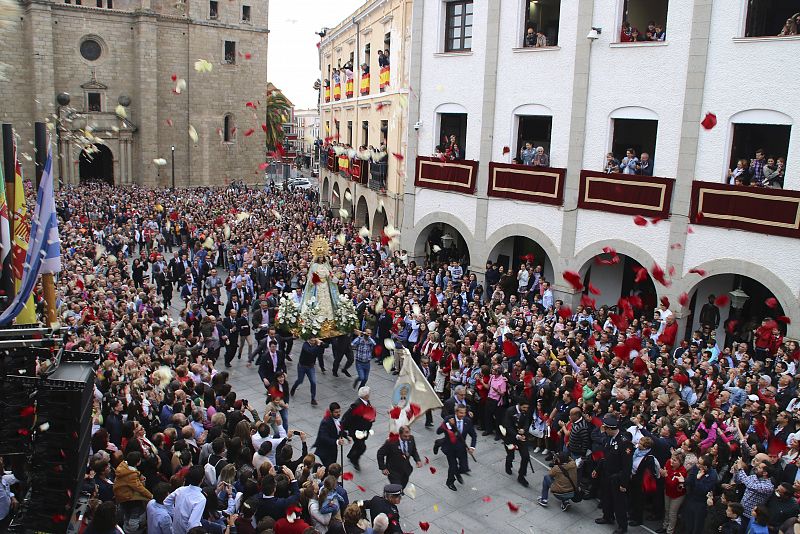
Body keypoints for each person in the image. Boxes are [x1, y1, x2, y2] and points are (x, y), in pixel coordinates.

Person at [593, 414, 633, 534]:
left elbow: (627, 466)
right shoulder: (609, 438)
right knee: (606, 497)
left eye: (605, 428)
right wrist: (598, 469)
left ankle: (622, 526)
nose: (603, 430)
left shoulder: (624, 443)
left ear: (610, 429)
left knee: (619, 502)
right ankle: (607, 516)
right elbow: (606, 457)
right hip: (606, 473)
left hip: (617, 477)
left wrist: (624, 484)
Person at [437, 405, 477, 492]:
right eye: (460, 413)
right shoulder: (449, 419)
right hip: (450, 448)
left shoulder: (467, 421)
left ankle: (457, 472)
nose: (463, 415)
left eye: (464, 413)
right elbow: (438, 431)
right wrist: (448, 425)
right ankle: (450, 482)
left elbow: (473, 435)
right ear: (456, 412)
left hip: (461, 447)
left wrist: (472, 447)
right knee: (453, 466)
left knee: (464, 467)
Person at [164, 465, 207, 534]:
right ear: (202, 479)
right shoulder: (201, 499)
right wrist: (175, 514)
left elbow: (167, 502)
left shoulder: (180, 490)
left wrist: (175, 514)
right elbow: (192, 524)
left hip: (175, 530)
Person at [342, 387, 376, 471]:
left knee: (358, 443)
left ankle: (350, 455)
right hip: (356, 431)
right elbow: (347, 417)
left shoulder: (366, 402)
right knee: (362, 447)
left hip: (363, 430)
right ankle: (354, 460)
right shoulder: (356, 405)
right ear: (366, 395)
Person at [503, 398, 532, 487]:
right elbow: (508, 426)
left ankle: (521, 475)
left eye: (527, 408)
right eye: (524, 407)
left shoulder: (526, 411)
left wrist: (524, 430)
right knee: (510, 455)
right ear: (519, 405)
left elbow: (527, 421)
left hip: (522, 437)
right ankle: (508, 463)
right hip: (510, 437)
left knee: (526, 456)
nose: (525, 410)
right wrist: (517, 435)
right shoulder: (510, 411)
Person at [291, 338, 326, 405]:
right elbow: (310, 351)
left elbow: (326, 346)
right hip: (302, 366)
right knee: (300, 380)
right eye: (312, 341)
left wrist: (321, 343)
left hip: (310, 367)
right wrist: (318, 345)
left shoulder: (316, 345)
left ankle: (313, 398)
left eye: (314, 341)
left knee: (313, 382)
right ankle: (294, 387)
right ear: (308, 340)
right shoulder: (305, 345)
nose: (313, 342)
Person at [313, 403, 346, 468]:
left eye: (339, 411)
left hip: (332, 449)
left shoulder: (337, 418)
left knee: (332, 465)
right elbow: (323, 437)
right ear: (331, 412)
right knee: (330, 468)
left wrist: (346, 436)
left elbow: (339, 429)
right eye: (336, 412)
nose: (338, 413)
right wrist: (337, 442)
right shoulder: (326, 422)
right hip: (325, 451)